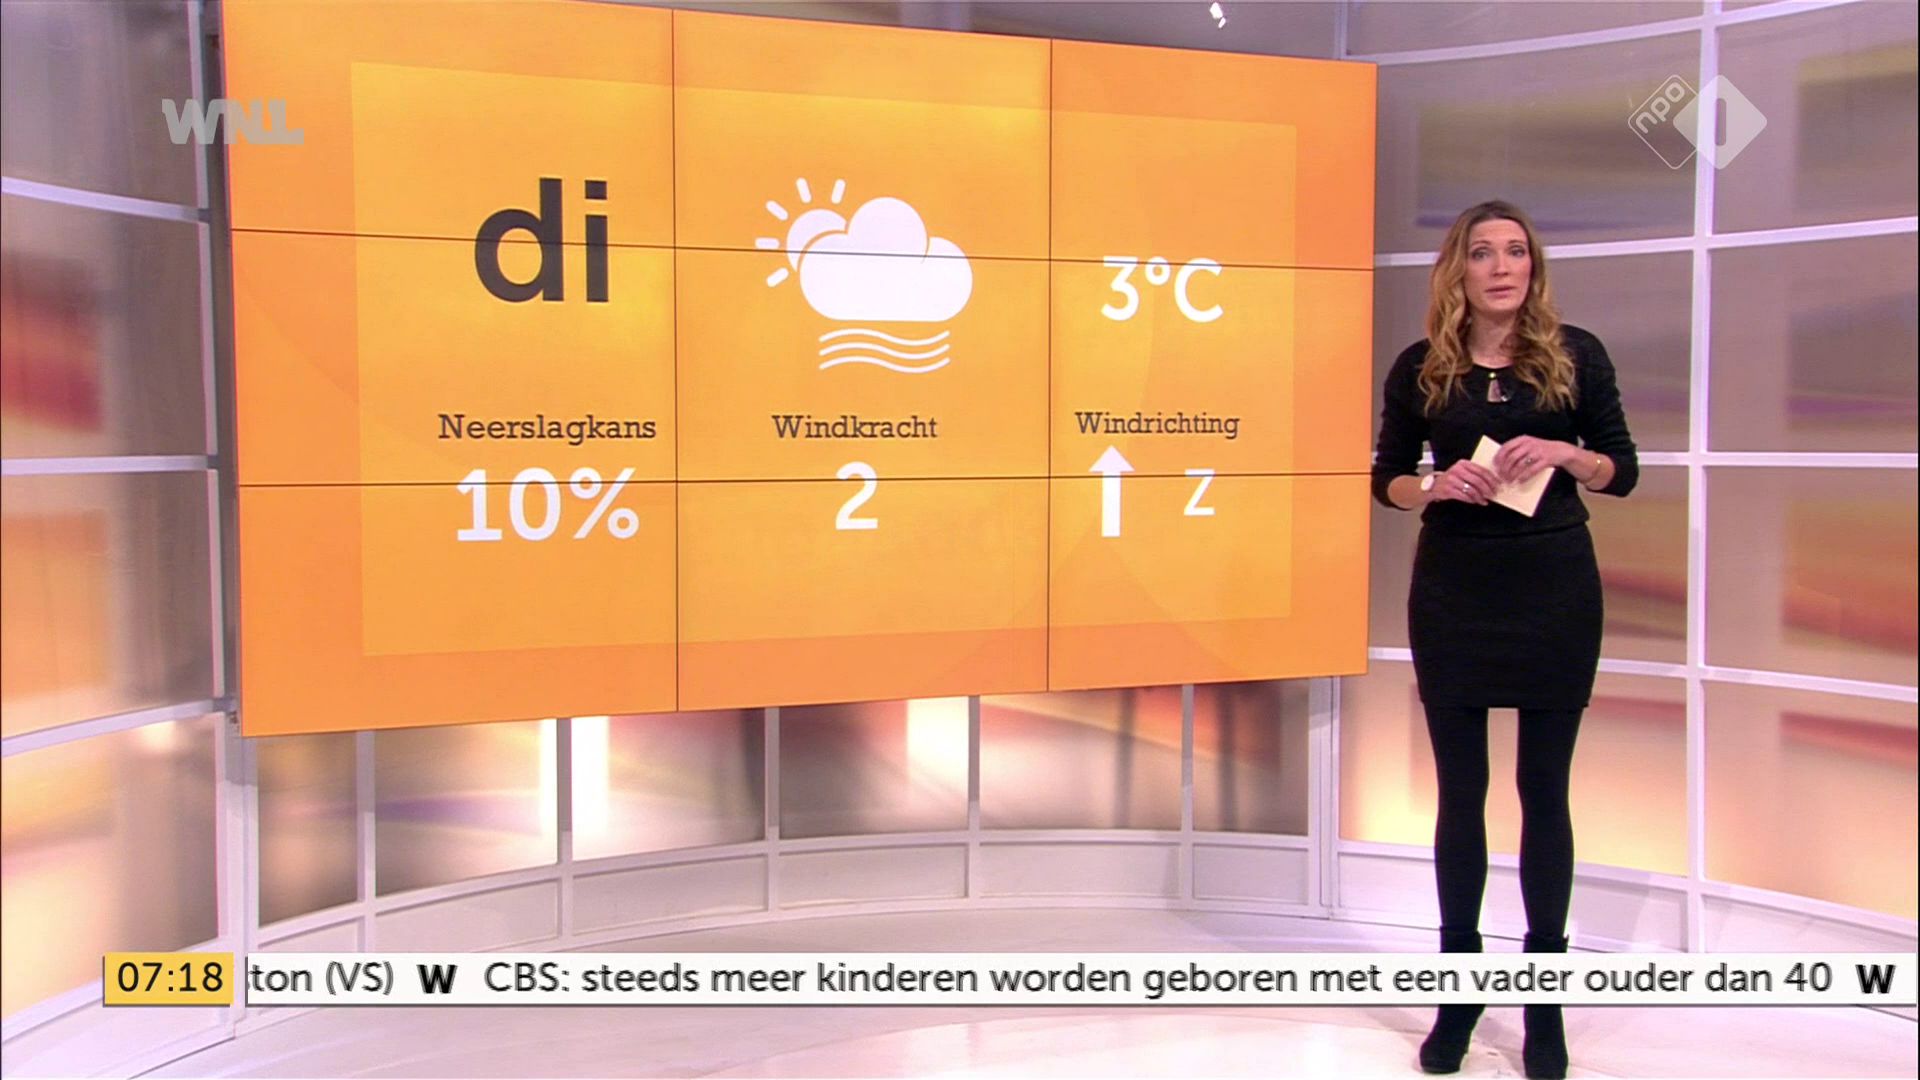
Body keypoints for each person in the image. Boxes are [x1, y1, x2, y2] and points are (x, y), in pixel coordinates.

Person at [1371, 200, 1638, 1080]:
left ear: (1533, 266)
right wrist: (1433, 485)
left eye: (1515, 251)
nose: (1501, 267)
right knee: (1462, 794)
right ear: (1459, 269)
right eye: (1483, 252)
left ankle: (1543, 1002)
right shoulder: (1421, 368)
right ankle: (1460, 994)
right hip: (1455, 593)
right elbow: (1387, 479)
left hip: (1553, 590)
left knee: (1543, 793)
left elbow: (1622, 470)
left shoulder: (1575, 356)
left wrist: (1562, 455)